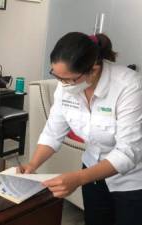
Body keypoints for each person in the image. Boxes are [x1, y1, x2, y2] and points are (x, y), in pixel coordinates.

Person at [20, 32, 142, 225]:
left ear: (93, 70)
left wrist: (77, 178)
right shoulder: (66, 86)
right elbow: (53, 132)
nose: (62, 84)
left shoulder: (129, 86)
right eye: (56, 76)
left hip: (131, 181)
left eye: (68, 79)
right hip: (92, 174)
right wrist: (32, 165)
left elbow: (127, 153)